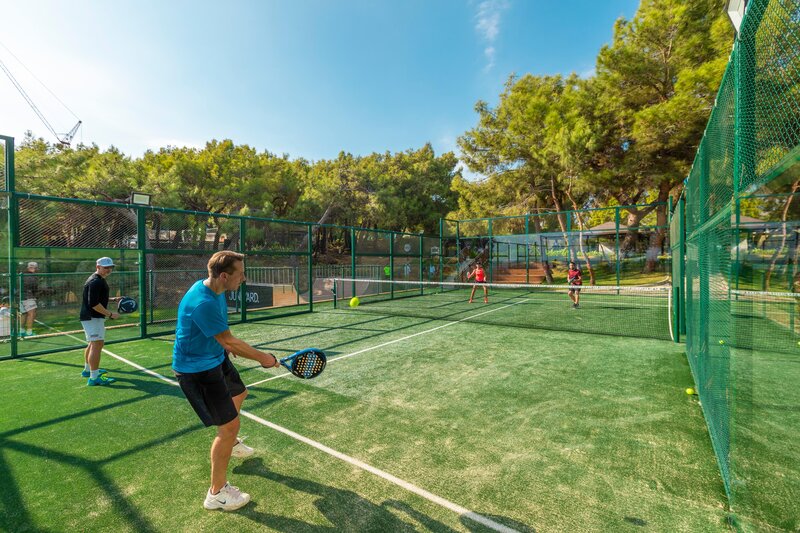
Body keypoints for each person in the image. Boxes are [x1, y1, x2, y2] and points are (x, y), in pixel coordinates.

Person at [172, 250, 281, 512]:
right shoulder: (203, 302)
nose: (244, 278)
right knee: (229, 427)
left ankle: (230, 442)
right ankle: (217, 493)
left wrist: (225, 345)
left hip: (215, 357)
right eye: (240, 274)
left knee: (240, 393)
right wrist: (264, 358)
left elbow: (223, 336)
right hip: (197, 370)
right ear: (224, 275)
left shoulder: (216, 290)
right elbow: (229, 340)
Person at [80, 257, 121, 385]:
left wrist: (113, 299)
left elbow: (97, 298)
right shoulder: (96, 281)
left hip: (91, 317)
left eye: (110, 267)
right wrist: (110, 314)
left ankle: (88, 370)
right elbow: (94, 304)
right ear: (98, 267)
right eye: (105, 267)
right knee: (97, 345)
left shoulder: (98, 280)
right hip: (92, 317)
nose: (108, 270)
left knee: (93, 344)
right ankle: (94, 377)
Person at [19, 261, 40, 337]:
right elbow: (34, 287)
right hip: (28, 297)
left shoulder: (22, 274)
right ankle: (29, 332)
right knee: (31, 314)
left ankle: (21, 331)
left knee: (24, 313)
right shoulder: (31, 276)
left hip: (21, 296)